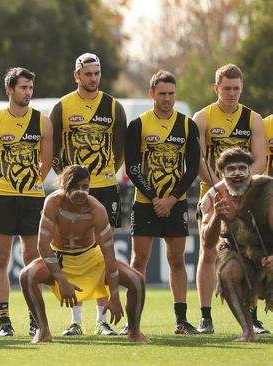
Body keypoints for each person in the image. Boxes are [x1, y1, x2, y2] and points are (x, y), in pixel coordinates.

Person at [19, 165, 148, 343]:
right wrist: (62, 281)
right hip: (60, 258)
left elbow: (109, 255)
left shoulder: (97, 209)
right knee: (27, 276)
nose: (81, 192)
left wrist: (115, 295)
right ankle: (43, 330)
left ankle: (134, 331)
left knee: (137, 280)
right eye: (75, 187)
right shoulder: (53, 202)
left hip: (91, 259)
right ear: (64, 185)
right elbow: (42, 245)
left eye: (85, 187)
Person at [50, 52, 127, 336]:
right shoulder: (62, 107)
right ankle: (75, 319)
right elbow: (54, 151)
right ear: (77, 76)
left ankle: (102, 320)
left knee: (103, 251)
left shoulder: (114, 106)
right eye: (88, 74)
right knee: (72, 248)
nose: (93, 78)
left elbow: (119, 151)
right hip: (72, 191)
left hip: (105, 187)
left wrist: (105, 174)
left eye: (97, 73)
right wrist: (69, 182)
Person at [193, 64, 267, 334]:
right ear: (216, 88)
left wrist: (244, 187)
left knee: (251, 252)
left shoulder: (253, 119)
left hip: (247, 197)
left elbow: (259, 160)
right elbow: (198, 159)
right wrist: (220, 187)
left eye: (236, 88)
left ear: (242, 88)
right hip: (212, 193)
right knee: (208, 251)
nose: (232, 93)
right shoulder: (202, 117)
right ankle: (205, 317)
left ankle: (253, 318)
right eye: (227, 88)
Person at [125, 70, 200, 334]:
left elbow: (192, 168)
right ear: (152, 94)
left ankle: (181, 320)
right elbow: (132, 167)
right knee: (139, 260)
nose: (167, 99)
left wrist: (171, 199)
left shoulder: (188, 125)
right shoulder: (138, 125)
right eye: (162, 94)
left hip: (175, 202)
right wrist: (155, 198)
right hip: (145, 202)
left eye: (171, 94)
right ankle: (132, 320)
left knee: (176, 260)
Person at [0, 67, 52, 337]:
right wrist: (5, 184)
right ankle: (4, 321)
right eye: (23, 88)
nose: (28, 93)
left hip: (33, 199)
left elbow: (46, 163)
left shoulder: (43, 122)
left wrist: (32, 183)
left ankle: (35, 319)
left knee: (32, 259)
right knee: (1, 258)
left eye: (30, 88)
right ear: (10, 90)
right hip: (3, 198)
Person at [199, 148, 273, 342]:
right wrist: (217, 216)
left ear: (250, 171)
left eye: (242, 168)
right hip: (241, 253)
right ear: (221, 173)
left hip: (269, 252)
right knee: (227, 272)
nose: (237, 173)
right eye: (231, 169)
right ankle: (248, 331)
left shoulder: (267, 190)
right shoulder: (212, 196)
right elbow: (207, 242)